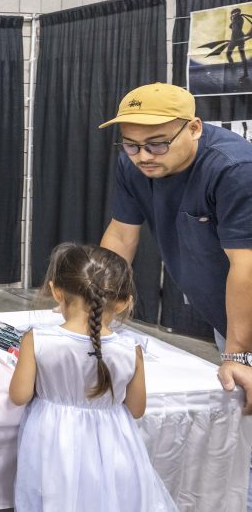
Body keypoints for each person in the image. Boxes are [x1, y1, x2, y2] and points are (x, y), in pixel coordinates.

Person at [98, 82, 252, 415]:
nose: (143, 156)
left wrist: (239, 354)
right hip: (229, 314)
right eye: (131, 145)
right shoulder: (134, 166)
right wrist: (95, 308)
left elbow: (247, 265)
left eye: (157, 144)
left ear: (194, 128)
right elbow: (121, 235)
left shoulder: (234, 169)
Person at [10, 243, 177, 512]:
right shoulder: (131, 349)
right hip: (114, 445)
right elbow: (136, 409)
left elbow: (19, 396)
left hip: (52, 441)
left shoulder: (36, 339)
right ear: (123, 303)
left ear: (56, 291)